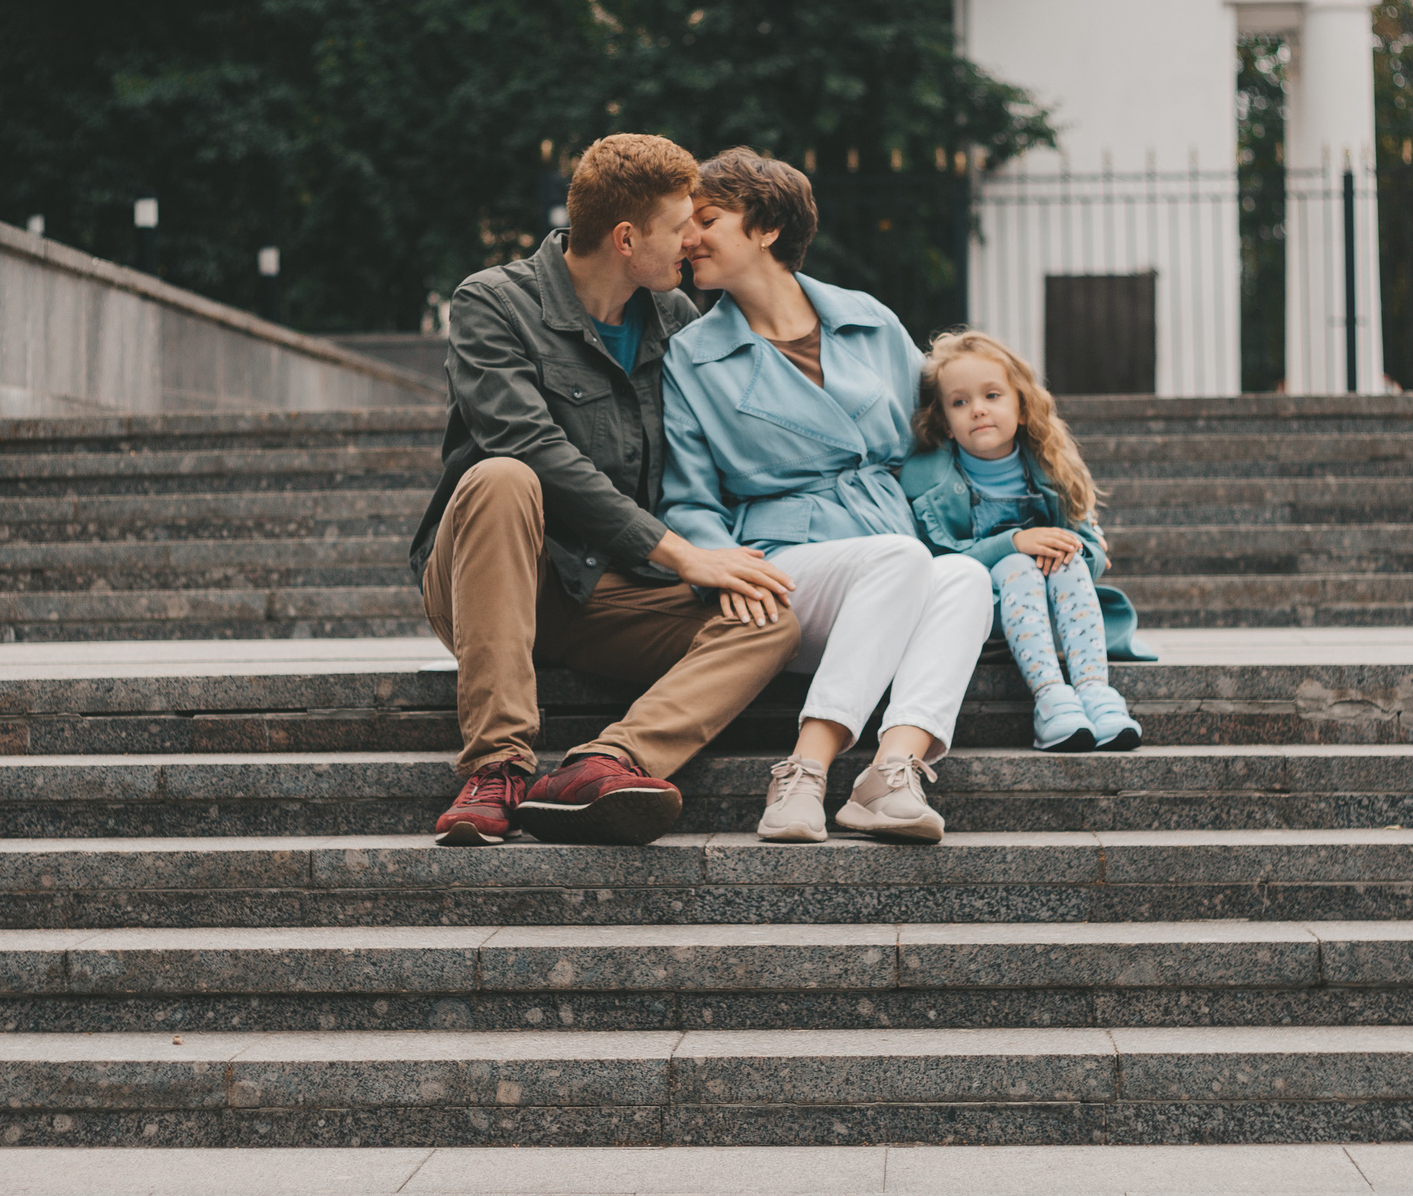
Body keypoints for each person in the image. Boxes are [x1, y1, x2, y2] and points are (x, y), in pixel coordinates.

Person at [409, 134, 801, 848]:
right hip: (491, 577)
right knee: (502, 475)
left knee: (768, 619)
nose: (693, 240)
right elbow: (529, 445)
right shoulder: (493, 302)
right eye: (680, 226)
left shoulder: (676, 320)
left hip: (604, 592)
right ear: (626, 238)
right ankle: (497, 767)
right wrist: (680, 553)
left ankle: (605, 764)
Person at [658, 150, 994, 846]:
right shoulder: (692, 355)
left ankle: (890, 773)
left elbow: (930, 444)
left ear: (766, 228)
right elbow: (687, 496)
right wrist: (720, 566)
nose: (687, 239)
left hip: (889, 547)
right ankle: (803, 772)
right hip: (782, 566)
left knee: (963, 576)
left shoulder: (870, 320)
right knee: (901, 559)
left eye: (707, 220)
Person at [900, 330, 1154, 752]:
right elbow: (937, 560)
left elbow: (1092, 551)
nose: (978, 409)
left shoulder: (1051, 465)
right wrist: (1014, 543)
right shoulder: (930, 481)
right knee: (1017, 564)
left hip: (1058, 614)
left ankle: (1094, 692)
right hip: (986, 614)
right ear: (945, 423)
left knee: (1068, 561)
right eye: (960, 402)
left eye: (992, 396)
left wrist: (1071, 550)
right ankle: (1051, 699)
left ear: (1021, 407)